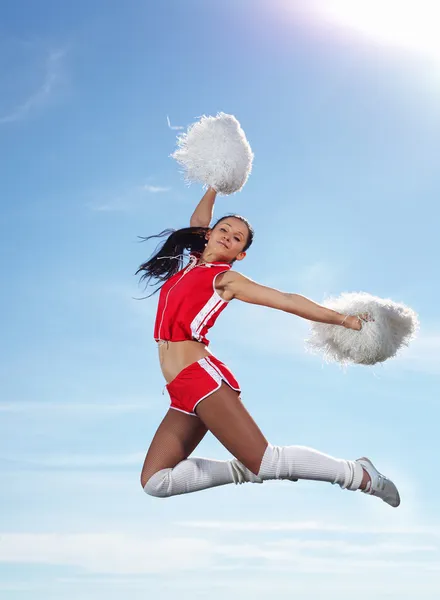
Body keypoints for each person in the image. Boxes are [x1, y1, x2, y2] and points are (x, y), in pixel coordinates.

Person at [137, 188, 400, 507]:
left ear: (240, 254)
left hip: (199, 378)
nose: (228, 237)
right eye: (223, 230)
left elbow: (286, 300)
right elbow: (198, 219)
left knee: (268, 462)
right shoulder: (192, 263)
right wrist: (214, 186)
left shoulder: (225, 280)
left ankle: (359, 475)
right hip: (180, 390)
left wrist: (344, 320)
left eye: (237, 239)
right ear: (207, 235)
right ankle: (245, 470)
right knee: (156, 482)